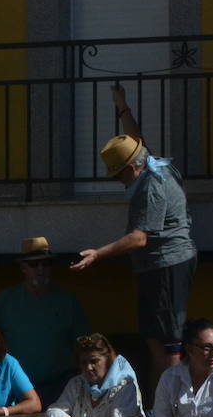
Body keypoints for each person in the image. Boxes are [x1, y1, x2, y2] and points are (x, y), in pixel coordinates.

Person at [74, 86, 197, 382]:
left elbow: (140, 237)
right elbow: (135, 136)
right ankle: (161, 401)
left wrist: (97, 254)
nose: (119, 182)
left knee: (168, 345)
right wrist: (122, 106)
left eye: (118, 175)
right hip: (156, 266)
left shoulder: (151, 188)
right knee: (154, 338)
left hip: (166, 265)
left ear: (131, 168)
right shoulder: (151, 164)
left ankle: (167, 406)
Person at [0, 237, 89, 404]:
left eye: (46, 263)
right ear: (23, 268)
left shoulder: (67, 301)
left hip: (60, 385)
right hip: (16, 387)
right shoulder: (5, 301)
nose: (40, 269)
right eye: (34, 264)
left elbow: (83, 345)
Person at [46, 333, 146, 417]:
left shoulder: (124, 385)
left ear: (108, 360)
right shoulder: (78, 383)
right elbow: (53, 412)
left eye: (94, 361)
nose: (88, 367)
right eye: (83, 362)